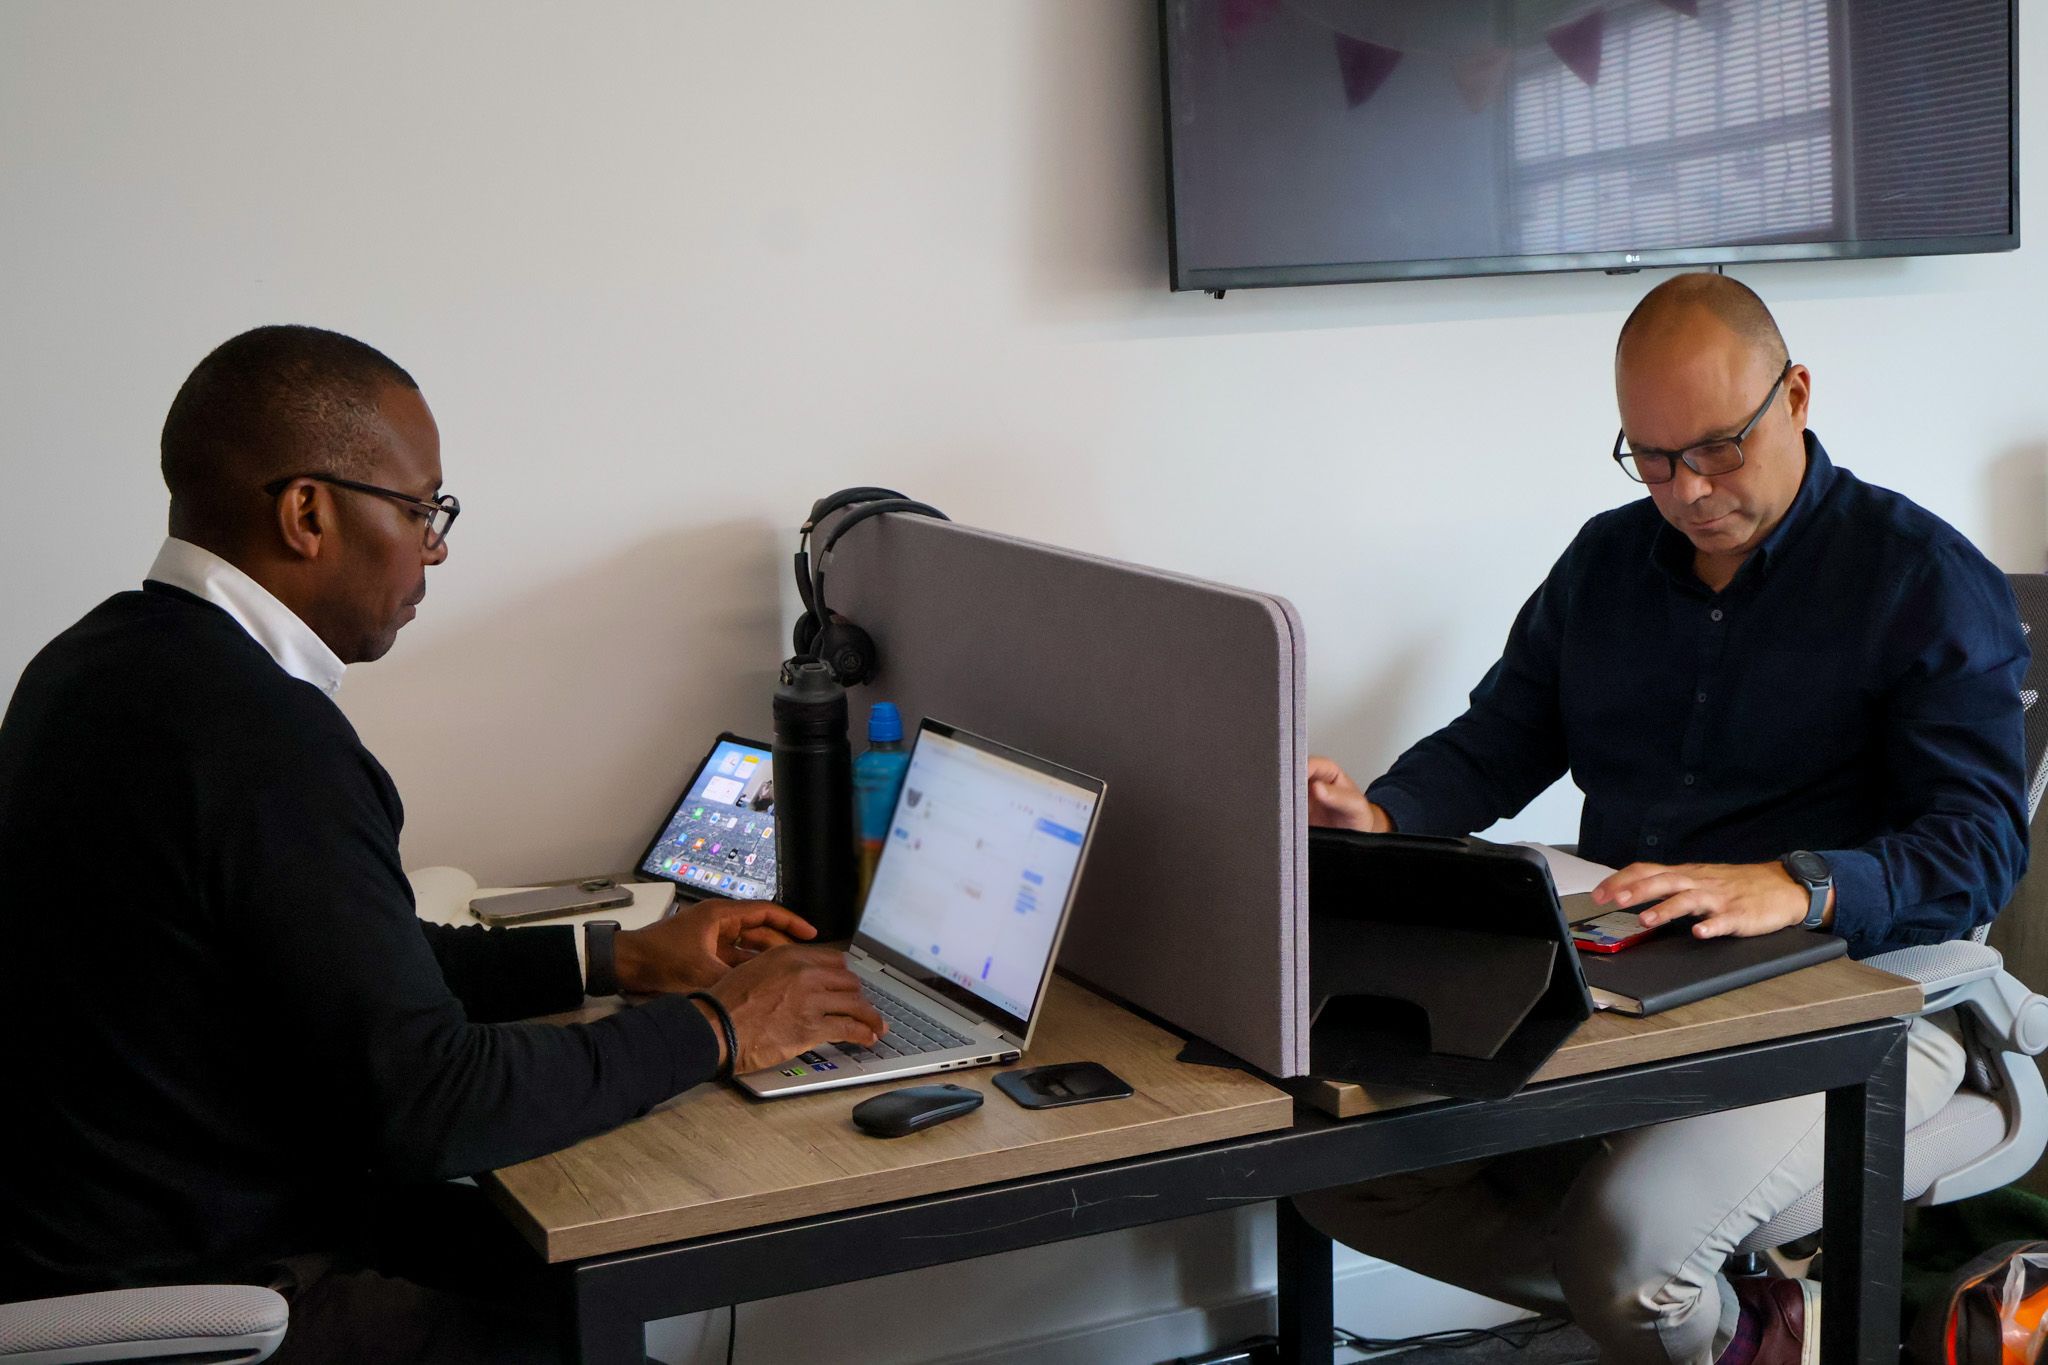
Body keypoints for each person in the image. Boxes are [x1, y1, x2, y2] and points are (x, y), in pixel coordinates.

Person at [0, 325, 889, 1364]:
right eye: (421, 509)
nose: (436, 547)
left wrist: (612, 958)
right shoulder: (261, 741)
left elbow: (353, 965)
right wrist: (719, 1027)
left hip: (122, 1223)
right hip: (205, 1291)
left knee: (564, 1271)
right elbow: (431, 1102)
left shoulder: (91, 665)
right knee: (578, 1309)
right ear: (307, 512)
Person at [1298, 274, 2028, 1365]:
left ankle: (1673, 1309)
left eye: (1716, 450)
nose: (1684, 490)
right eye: (1649, 456)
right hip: (1643, 978)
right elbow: (1499, 737)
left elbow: (1980, 847)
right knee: (1344, 1173)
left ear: (1794, 395)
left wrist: (1799, 883)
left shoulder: (1918, 579)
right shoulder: (1604, 562)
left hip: (1881, 994)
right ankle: (1735, 1328)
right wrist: (1383, 812)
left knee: (1629, 1261)